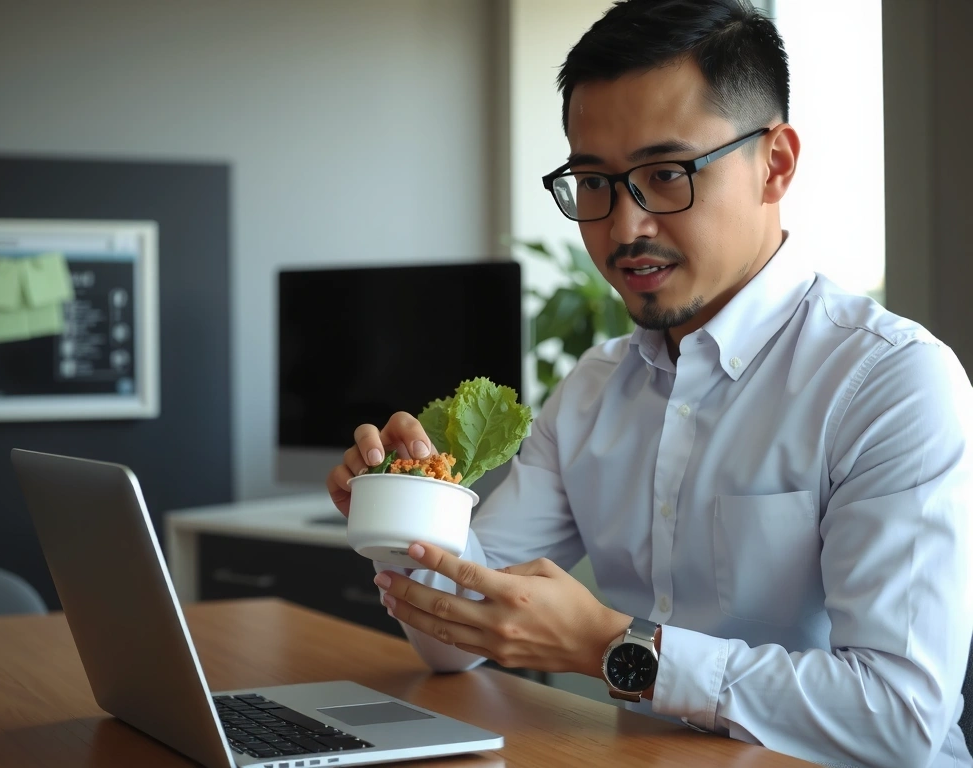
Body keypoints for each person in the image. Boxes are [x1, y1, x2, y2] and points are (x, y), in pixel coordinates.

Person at [325, 1, 973, 765]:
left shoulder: (890, 382)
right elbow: (454, 642)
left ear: (775, 164)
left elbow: (898, 718)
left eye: (666, 175)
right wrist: (407, 510)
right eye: (594, 181)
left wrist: (614, 647)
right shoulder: (593, 391)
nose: (625, 226)